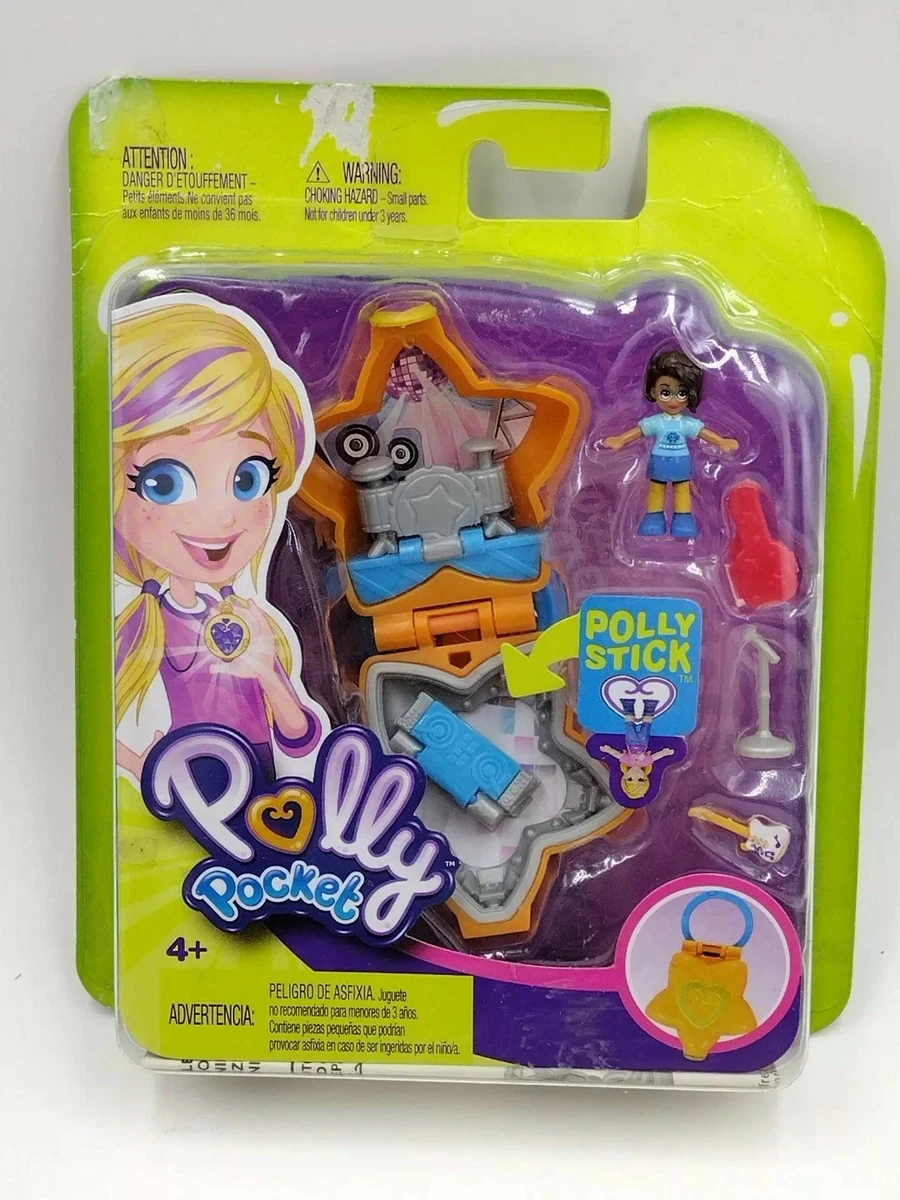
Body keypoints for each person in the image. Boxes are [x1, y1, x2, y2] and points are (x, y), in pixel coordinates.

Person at [113, 295, 325, 783]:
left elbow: (300, 734)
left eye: (248, 478)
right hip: (194, 780)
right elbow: (90, 716)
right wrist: (146, 769)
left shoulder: (248, 619)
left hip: (264, 780)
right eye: (164, 482)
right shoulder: (144, 622)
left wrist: (267, 671)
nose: (223, 516)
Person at [603, 349, 738, 538]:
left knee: (682, 490)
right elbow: (639, 431)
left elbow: (703, 433)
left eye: (681, 393)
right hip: (659, 460)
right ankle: (653, 518)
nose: (674, 400)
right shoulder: (656, 422)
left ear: (692, 394)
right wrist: (621, 440)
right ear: (653, 391)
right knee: (656, 490)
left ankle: (683, 519)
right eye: (666, 392)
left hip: (681, 461)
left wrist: (721, 442)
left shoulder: (686, 423)